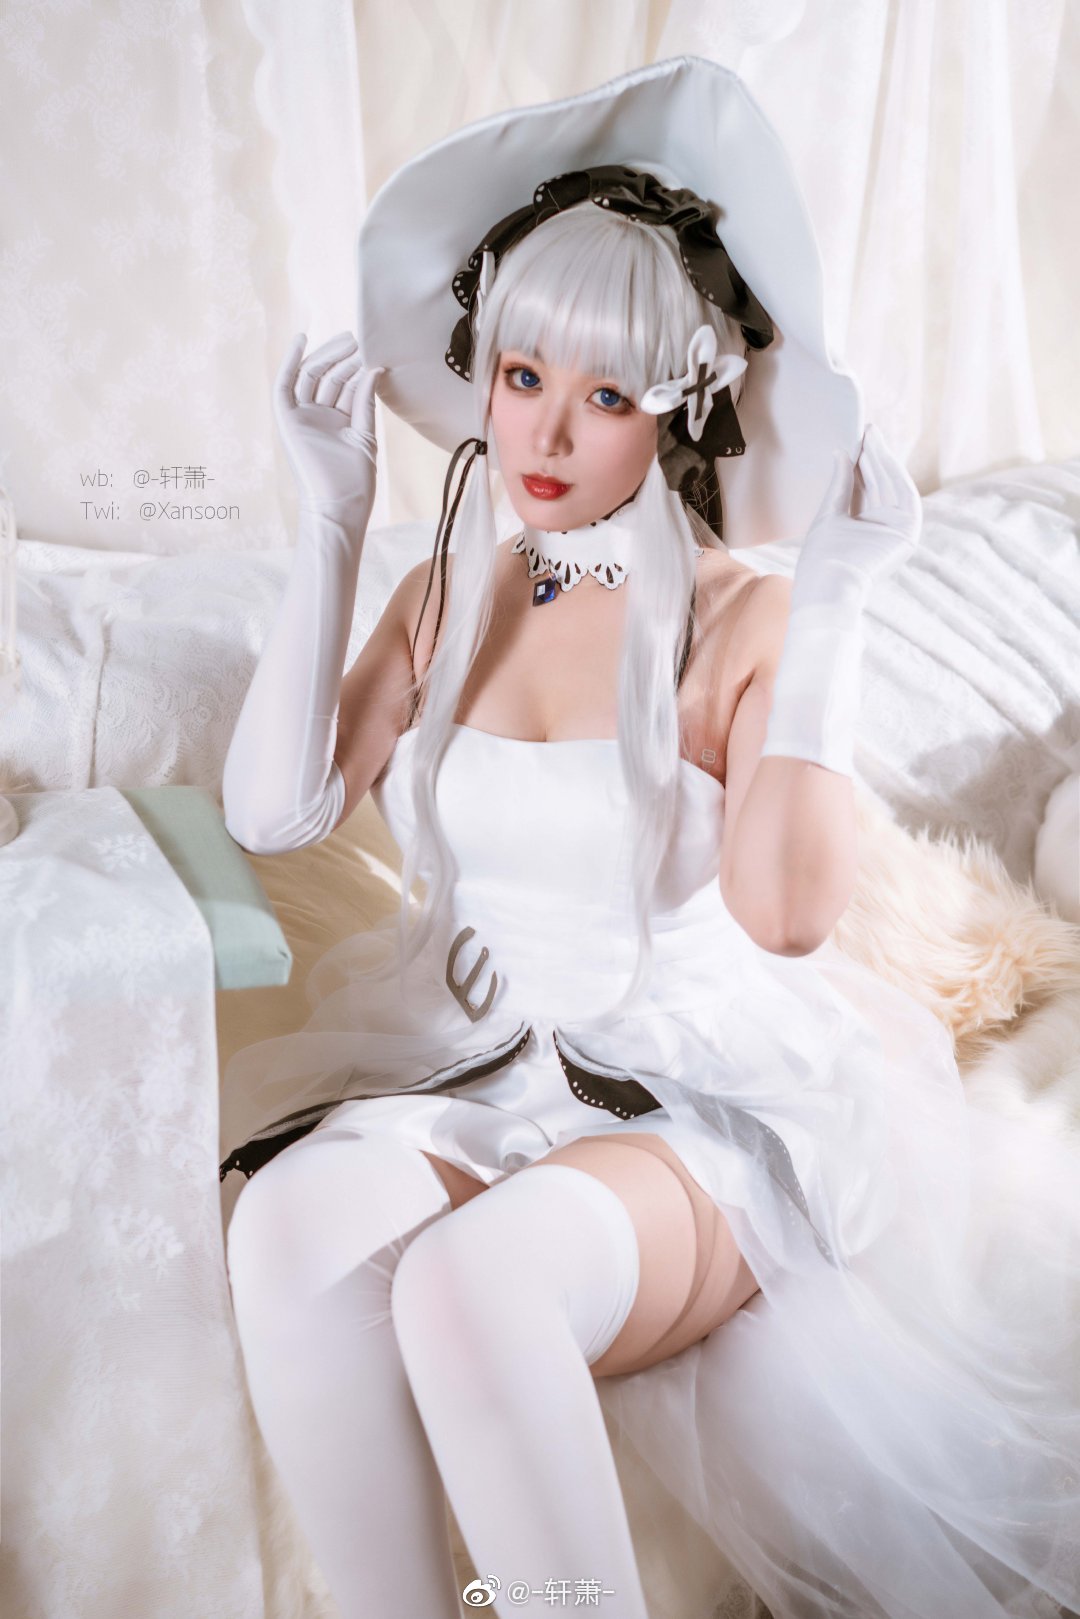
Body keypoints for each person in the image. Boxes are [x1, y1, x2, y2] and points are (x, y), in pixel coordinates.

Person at [219, 59, 1080, 1619]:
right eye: (522, 375)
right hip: (484, 1066)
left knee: (473, 1287)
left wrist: (838, 605)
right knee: (285, 1221)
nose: (547, 432)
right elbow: (274, 812)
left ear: (678, 408)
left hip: (704, 1103)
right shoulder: (452, 590)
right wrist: (332, 520)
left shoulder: (742, 620)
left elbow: (790, 917)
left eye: (607, 396)